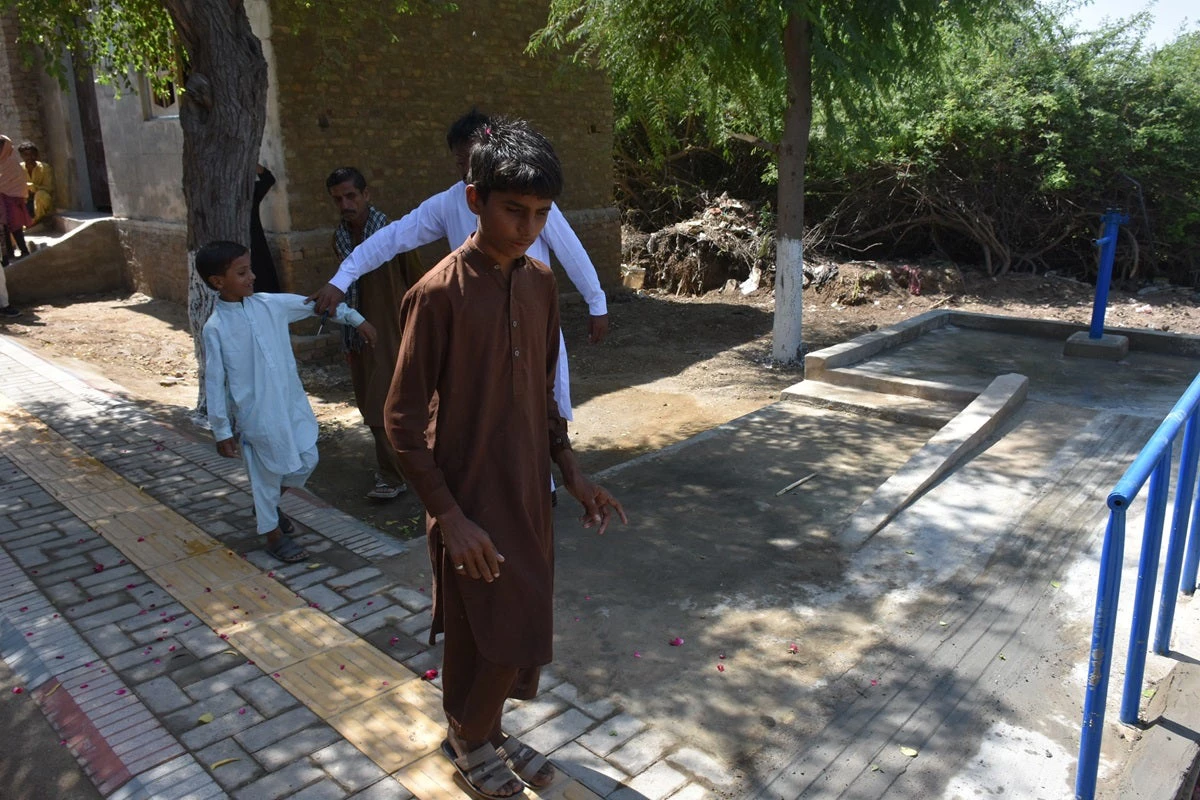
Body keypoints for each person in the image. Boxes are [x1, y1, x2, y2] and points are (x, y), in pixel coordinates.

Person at [385, 117, 626, 798]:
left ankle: (481, 729)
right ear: (474, 199)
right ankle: (469, 737)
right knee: (486, 625)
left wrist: (573, 475)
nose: (527, 227)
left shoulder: (541, 284)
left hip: (530, 492)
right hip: (468, 494)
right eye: (513, 210)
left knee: (515, 622)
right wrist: (449, 518)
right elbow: (400, 422)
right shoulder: (436, 295)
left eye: (540, 214)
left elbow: (548, 396)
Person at [311, 109, 608, 423]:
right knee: (488, 419)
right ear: (473, 202)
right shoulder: (448, 206)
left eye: (473, 157)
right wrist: (343, 277)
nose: (468, 168)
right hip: (480, 332)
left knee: (542, 414)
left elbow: (571, 250)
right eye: (460, 161)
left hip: (532, 324)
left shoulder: (530, 203)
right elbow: (393, 237)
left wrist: (596, 300)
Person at [196, 240, 378, 563]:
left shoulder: (270, 304)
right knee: (265, 473)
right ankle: (273, 536)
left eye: (249, 269)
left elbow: (317, 305)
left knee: (307, 458)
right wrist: (221, 430)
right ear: (217, 282)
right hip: (257, 415)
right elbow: (215, 381)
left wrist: (356, 320)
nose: (252, 276)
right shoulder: (216, 328)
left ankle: (266, 504)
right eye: (242, 272)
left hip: (290, 404)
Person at [324, 167, 424, 500]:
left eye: (351, 196)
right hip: (358, 334)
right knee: (371, 405)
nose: (345, 204)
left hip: (393, 331)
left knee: (389, 404)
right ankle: (400, 469)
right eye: (338, 199)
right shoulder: (340, 238)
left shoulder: (394, 234)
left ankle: (394, 476)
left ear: (367, 195)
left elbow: (417, 280)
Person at [249, 164, 282, 293]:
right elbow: (268, 179)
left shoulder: (248, 193)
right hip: (253, 242)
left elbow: (268, 179)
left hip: (255, 241)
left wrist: (250, 161)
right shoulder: (248, 192)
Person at [0, 135, 31, 266]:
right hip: (1, 201)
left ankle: (24, 250)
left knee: (16, 226)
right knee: (3, 228)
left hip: (12, 200)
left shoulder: (11, 163)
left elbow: (20, 182)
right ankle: (7, 255)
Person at [18, 141, 53, 227]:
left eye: (32, 154)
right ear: (22, 156)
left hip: (41, 200)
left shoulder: (45, 167)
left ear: (36, 155)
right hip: (26, 200)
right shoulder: (18, 169)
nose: (29, 157)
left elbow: (49, 188)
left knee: (41, 195)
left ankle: (34, 221)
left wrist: (34, 187)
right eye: (26, 154)